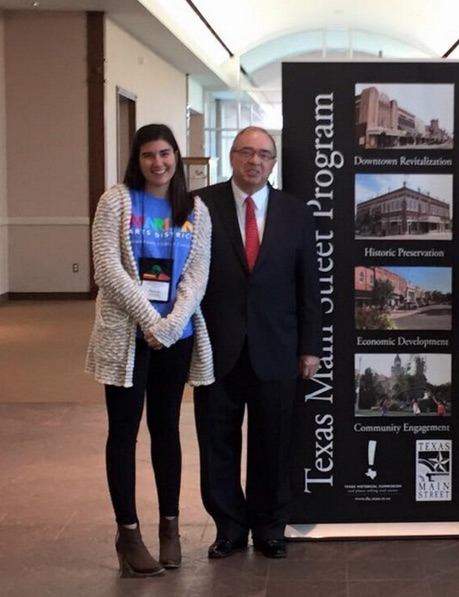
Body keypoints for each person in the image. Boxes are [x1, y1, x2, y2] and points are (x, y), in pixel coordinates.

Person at [85, 124, 213, 577]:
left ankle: (170, 529)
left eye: (164, 153)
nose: (157, 163)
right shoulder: (116, 200)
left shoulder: (195, 209)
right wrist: (149, 320)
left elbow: (197, 276)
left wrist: (171, 325)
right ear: (135, 160)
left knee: (167, 431)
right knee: (123, 433)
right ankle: (129, 533)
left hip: (173, 339)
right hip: (126, 336)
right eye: (147, 155)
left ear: (176, 156)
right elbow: (107, 269)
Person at [193, 126, 322, 560]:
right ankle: (229, 527)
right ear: (231, 156)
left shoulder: (295, 212)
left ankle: (270, 526)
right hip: (217, 348)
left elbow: (310, 285)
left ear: (273, 162)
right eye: (246, 152)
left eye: (264, 154)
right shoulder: (202, 206)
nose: (255, 161)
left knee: (275, 443)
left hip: (279, 348)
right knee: (217, 442)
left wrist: (310, 347)